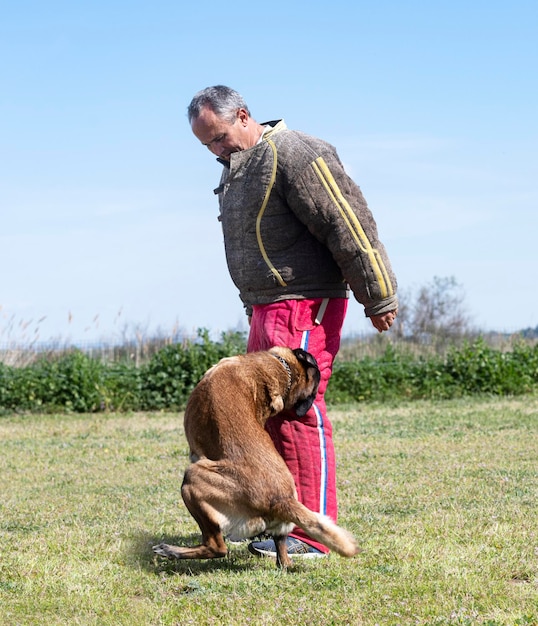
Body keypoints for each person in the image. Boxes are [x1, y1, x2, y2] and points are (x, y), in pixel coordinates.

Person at [187, 85, 398, 559]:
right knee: (265, 414)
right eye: (207, 146)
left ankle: (311, 534)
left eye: (219, 138)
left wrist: (378, 292)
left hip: (305, 301)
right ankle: (279, 522)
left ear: (244, 115)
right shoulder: (239, 169)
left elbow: (349, 223)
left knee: (300, 410)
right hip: (267, 305)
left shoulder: (296, 153)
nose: (216, 151)